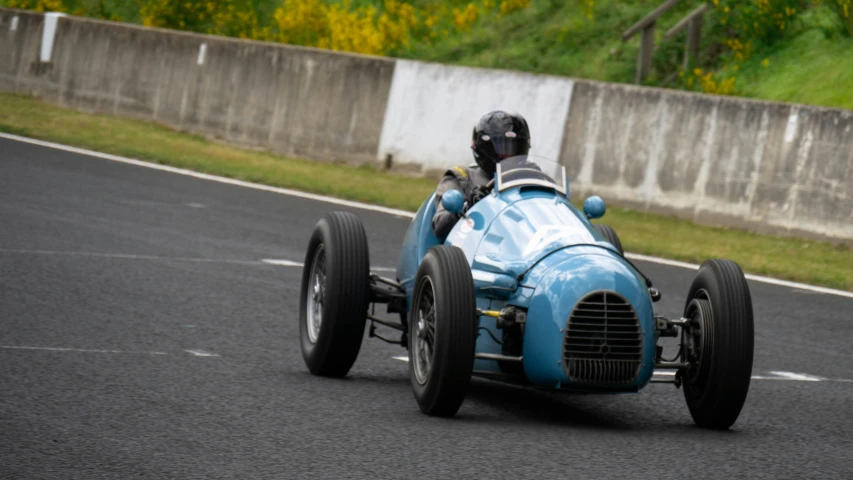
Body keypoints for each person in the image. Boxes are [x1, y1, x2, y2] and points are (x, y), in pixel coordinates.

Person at [432, 110, 532, 241]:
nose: (506, 155)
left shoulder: (532, 179)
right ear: (482, 147)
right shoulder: (461, 178)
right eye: (501, 148)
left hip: (521, 245)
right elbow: (440, 227)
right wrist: (468, 207)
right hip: (471, 247)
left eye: (512, 148)